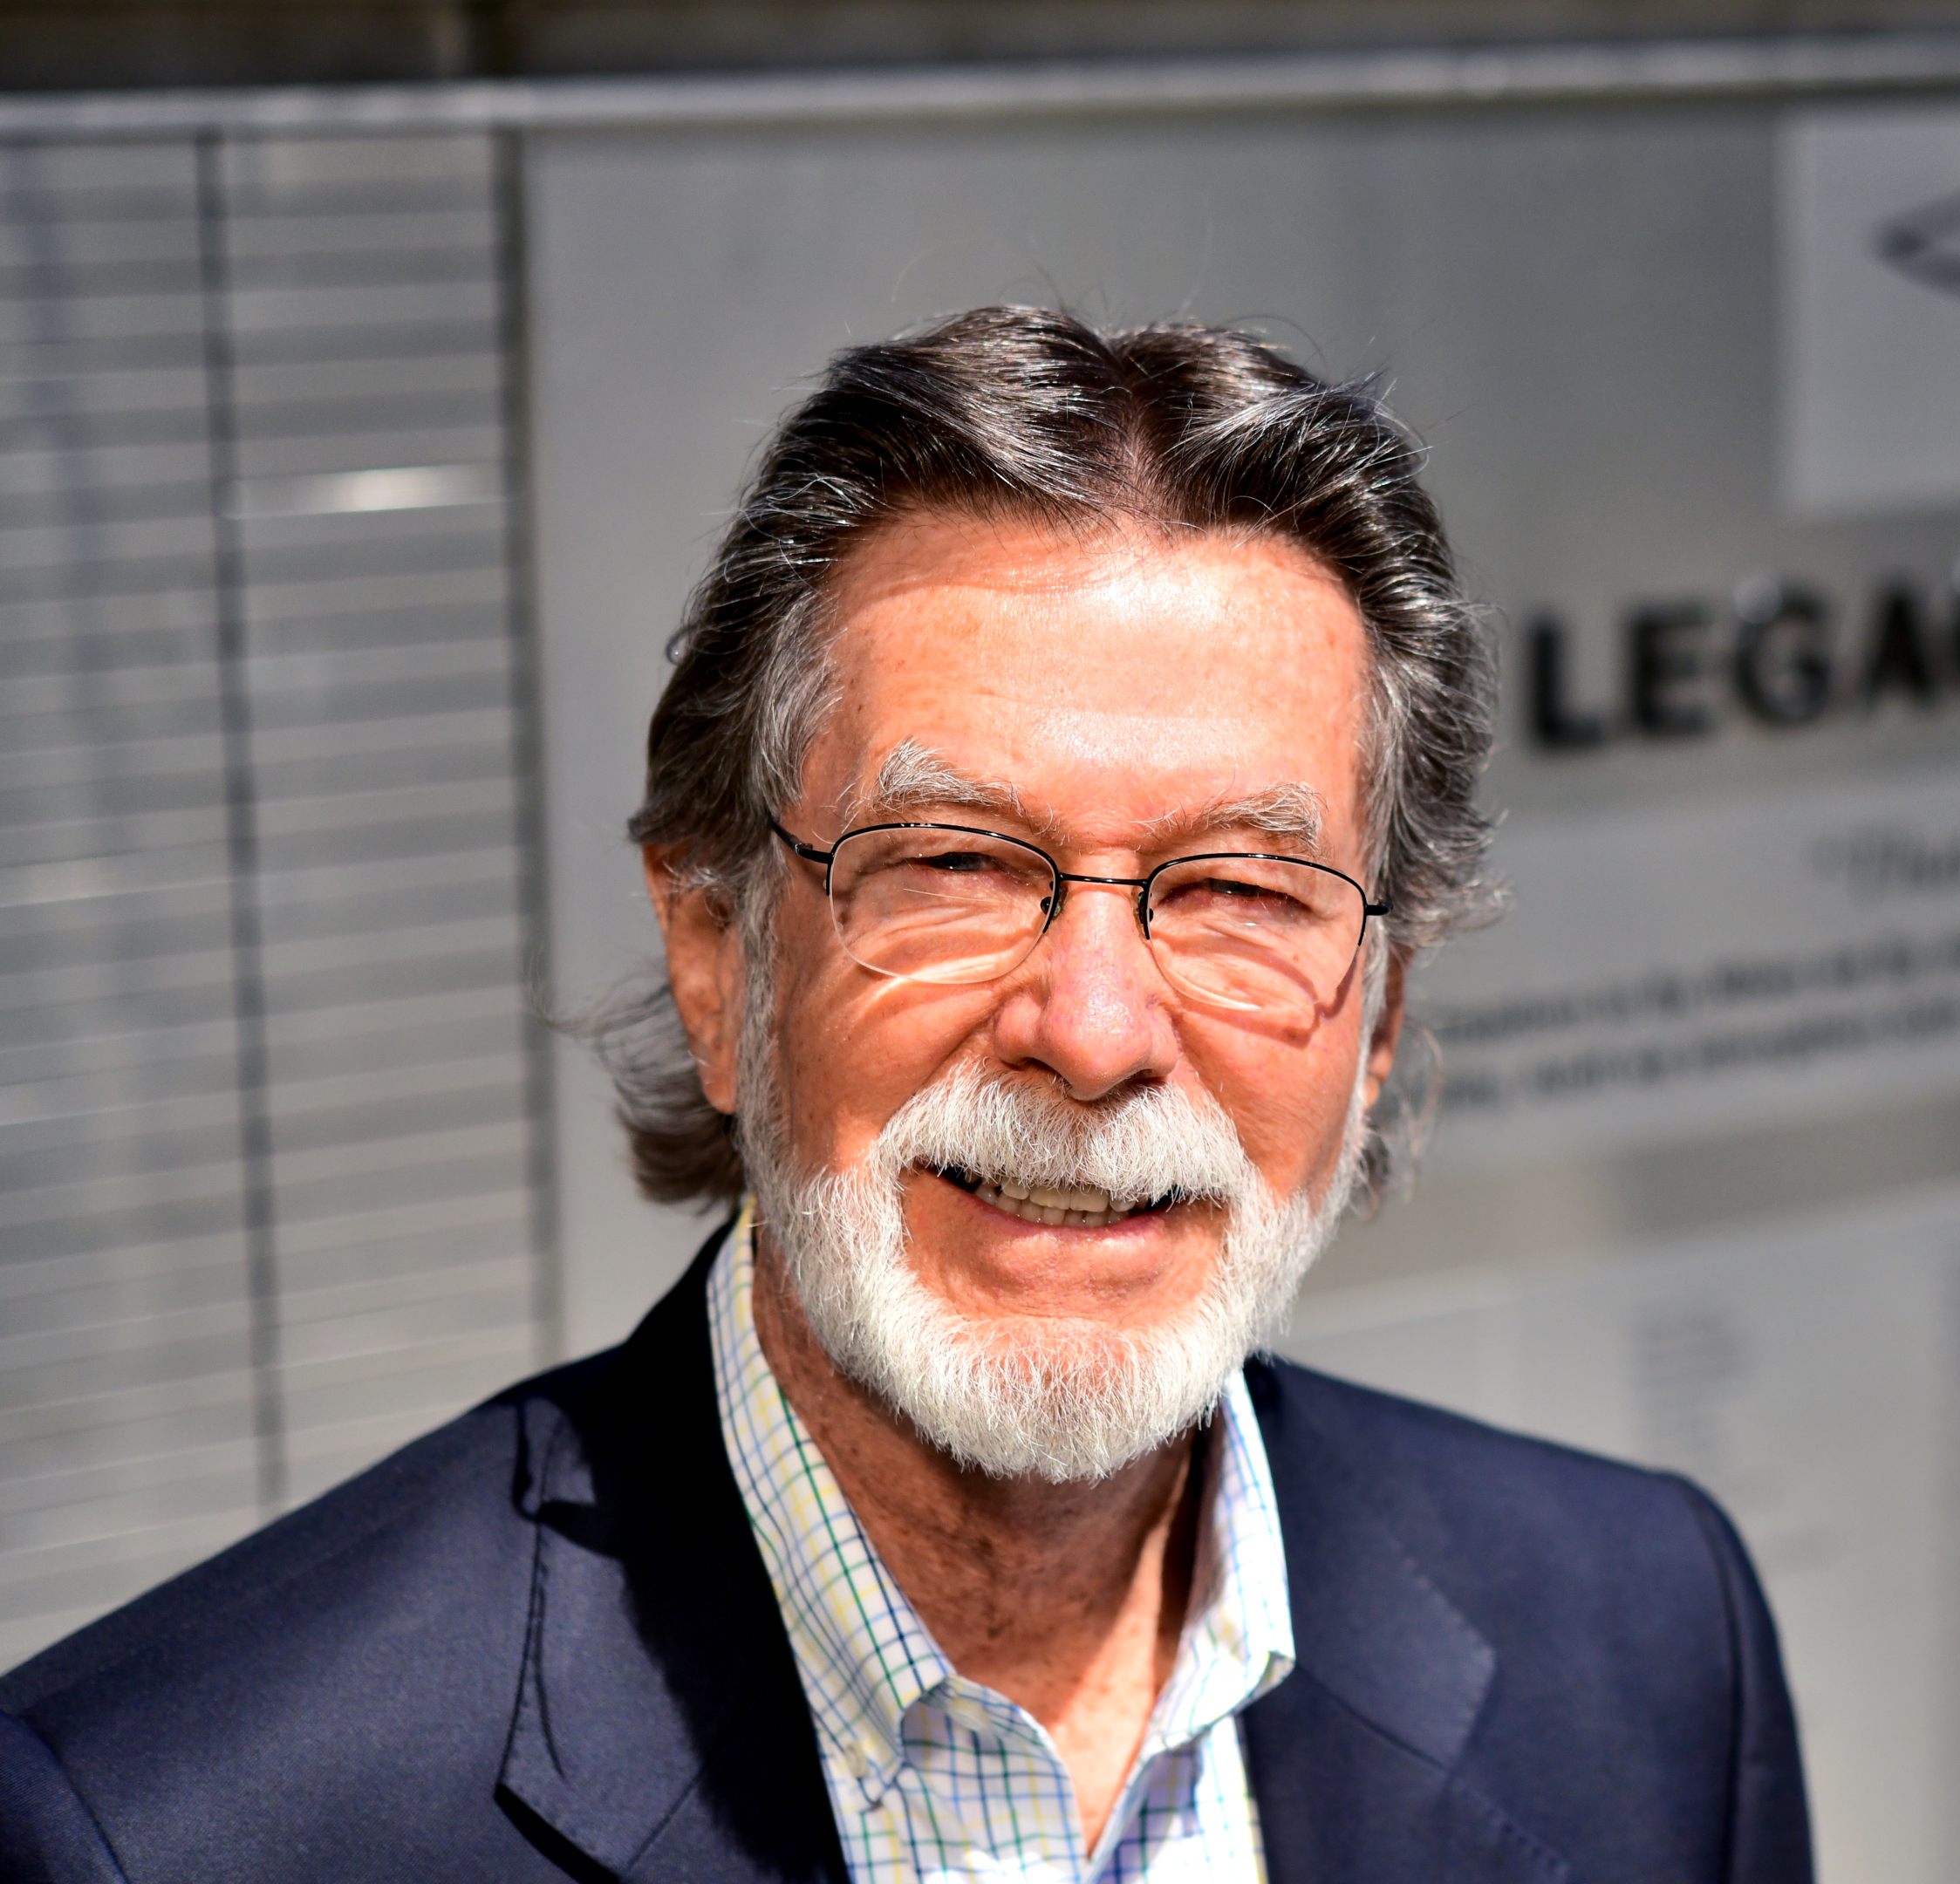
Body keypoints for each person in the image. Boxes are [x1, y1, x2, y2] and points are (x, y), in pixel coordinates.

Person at [0, 308, 1813, 1883]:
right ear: (717, 955)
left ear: (1385, 1008)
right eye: (951, 863)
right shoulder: (174, 1828)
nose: (1095, 1033)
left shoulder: (1650, 1645)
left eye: (1244, 892)